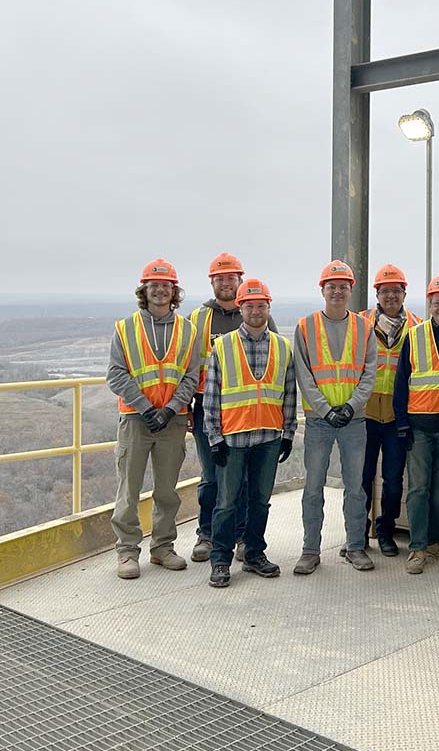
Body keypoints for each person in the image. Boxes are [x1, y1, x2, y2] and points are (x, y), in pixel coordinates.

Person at [106, 258, 198, 579]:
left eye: (166, 286)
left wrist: (171, 408)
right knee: (128, 489)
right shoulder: (125, 328)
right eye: (154, 285)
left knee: (166, 490)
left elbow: (191, 375)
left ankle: (162, 548)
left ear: (174, 292)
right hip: (135, 419)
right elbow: (116, 374)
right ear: (143, 291)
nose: (160, 290)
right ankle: (127, 551)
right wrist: (146, 408)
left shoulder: (189, 330)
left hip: (171, 421)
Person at [203, 279, 297, 588]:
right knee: (227, 502)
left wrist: (288, 433)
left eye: (261, 306)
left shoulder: (282, 346)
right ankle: (220, 560)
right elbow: (212, 395)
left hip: (268, 438)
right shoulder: (224, 345)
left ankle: (255, 554)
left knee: (260, 501)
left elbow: (288, 393)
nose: (255, 311)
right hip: (233, 438)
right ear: (241, 308)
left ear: (268, 308)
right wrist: (214, 437)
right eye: (250, 306)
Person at [189, 252, 277, 564]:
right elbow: (188, 366)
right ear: (212, 282)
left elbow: (274, 363)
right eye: (220, 278)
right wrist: (190, 408)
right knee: (213, 476)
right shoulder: (199, 319)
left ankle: (240, 536)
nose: (226, 283)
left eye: (231, 278)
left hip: (250, 412)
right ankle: (207, 533)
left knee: (244, 481)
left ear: (240, 281)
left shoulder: (256, 313)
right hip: (209, 408)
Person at [294, 260, 378, 573]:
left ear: (351, 290)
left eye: (343, 286)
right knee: (313, 487)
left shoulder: (363, 327)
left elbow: (369, 372)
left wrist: (351, 406)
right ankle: (310, 550)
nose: (338, 291)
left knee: (355, 487)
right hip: (319, 421)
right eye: (332, 286)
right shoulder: (306, 327)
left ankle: (355, 546)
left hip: (354, 421)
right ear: (323, 290)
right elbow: (304, 374)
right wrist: (327, 410)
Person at [393, 273, 439, 574]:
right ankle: (418, 548)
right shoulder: (415, 335)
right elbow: (401, 383)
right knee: (419, 489)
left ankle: (433, 539)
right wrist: (402, 425)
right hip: (419, 428)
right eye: (437, 303)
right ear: (430, 305)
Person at [359, 264, 422, 556]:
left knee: (394, 480)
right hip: (366, 414)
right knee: (362, 477)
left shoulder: (417, 327)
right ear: (377, 295)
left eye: (396, 291)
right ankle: (359, 531)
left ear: (404, 293)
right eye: (385, 291)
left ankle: (386, 530)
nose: (390, 297)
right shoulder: (361, 323)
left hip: (398, 416)